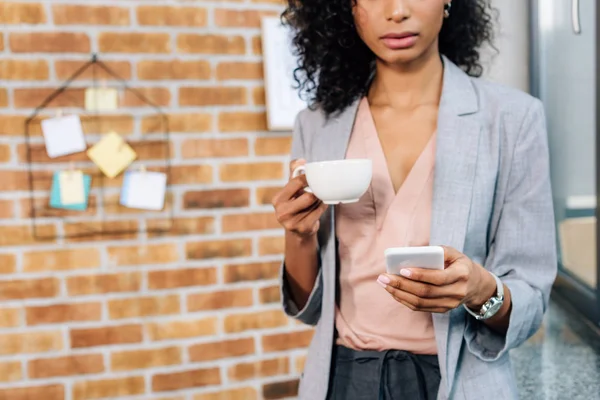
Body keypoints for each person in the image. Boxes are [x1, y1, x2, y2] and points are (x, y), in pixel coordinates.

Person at [272, 0, 557, 399]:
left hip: (460, 380)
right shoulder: (317, 123)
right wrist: (297, 234)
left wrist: (479, 290)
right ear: (346, 9)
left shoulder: (513, 119)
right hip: (343, 380)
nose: (397, 10)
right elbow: (310, 308)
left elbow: (531, 299)